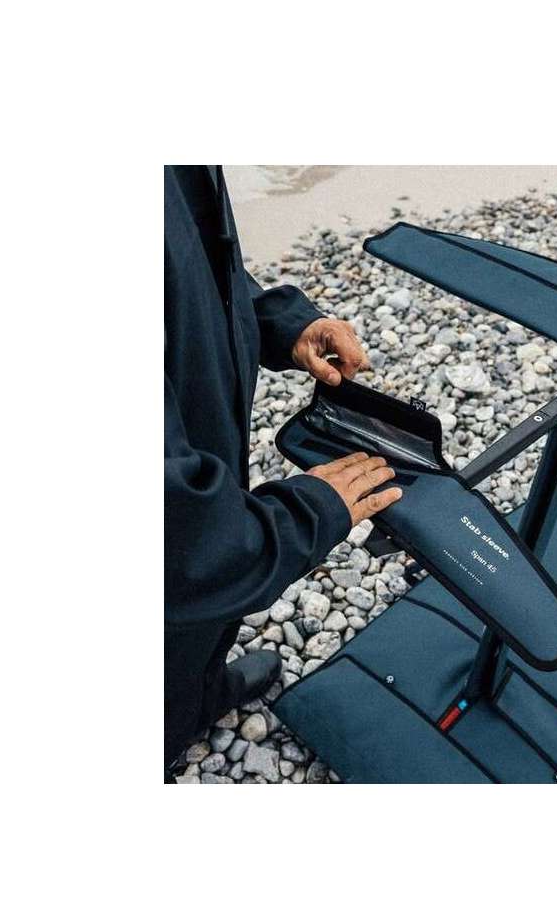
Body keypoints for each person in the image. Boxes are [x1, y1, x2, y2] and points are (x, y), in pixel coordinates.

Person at [164, 165, 401, 777]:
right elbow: (173, 536)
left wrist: (281, 323)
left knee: (192, 628)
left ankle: (191, 700)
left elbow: (189, 260)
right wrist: (307, 511)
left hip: (201, 431)